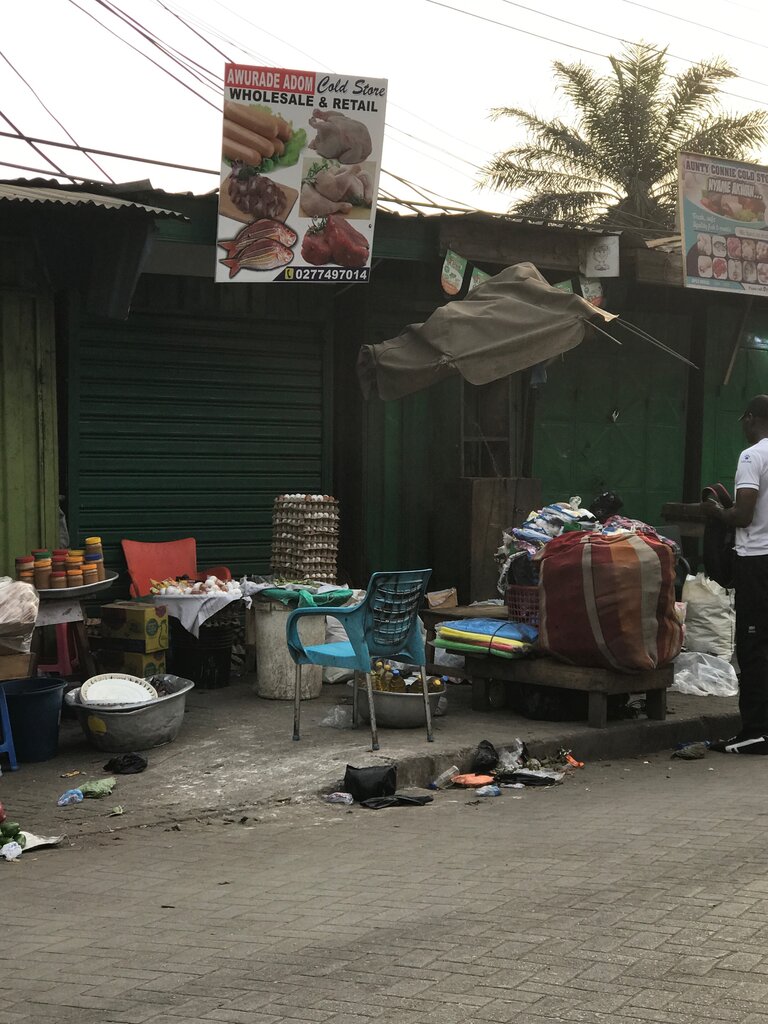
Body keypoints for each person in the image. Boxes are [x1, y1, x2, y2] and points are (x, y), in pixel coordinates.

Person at [704, 394, 768, 753]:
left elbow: (742, 515)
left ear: (749, 418)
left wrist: (715, 512)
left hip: (757, 561)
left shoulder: (753, 456)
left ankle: (756, 731)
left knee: (753, 645)